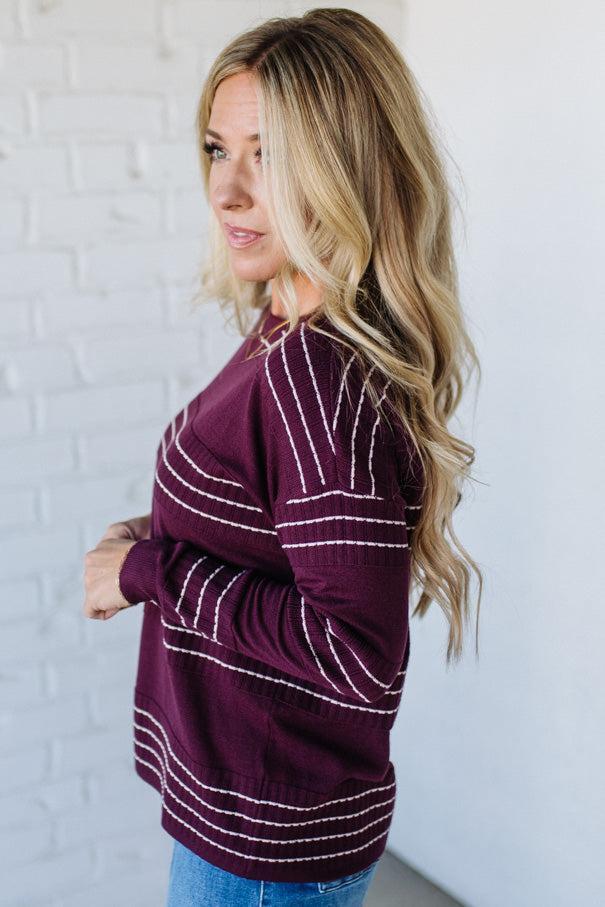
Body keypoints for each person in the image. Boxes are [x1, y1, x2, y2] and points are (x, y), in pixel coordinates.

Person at [83, 8, 482, 905]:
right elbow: (274, 521)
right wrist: (160, 530)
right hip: (249, 815)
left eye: (268, 154)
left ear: (348, 166)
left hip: (263, 843)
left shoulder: (314, 375)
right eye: (218, 149)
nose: (227, 191)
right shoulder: (287, 322)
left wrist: (151, 569)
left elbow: (355, 651)